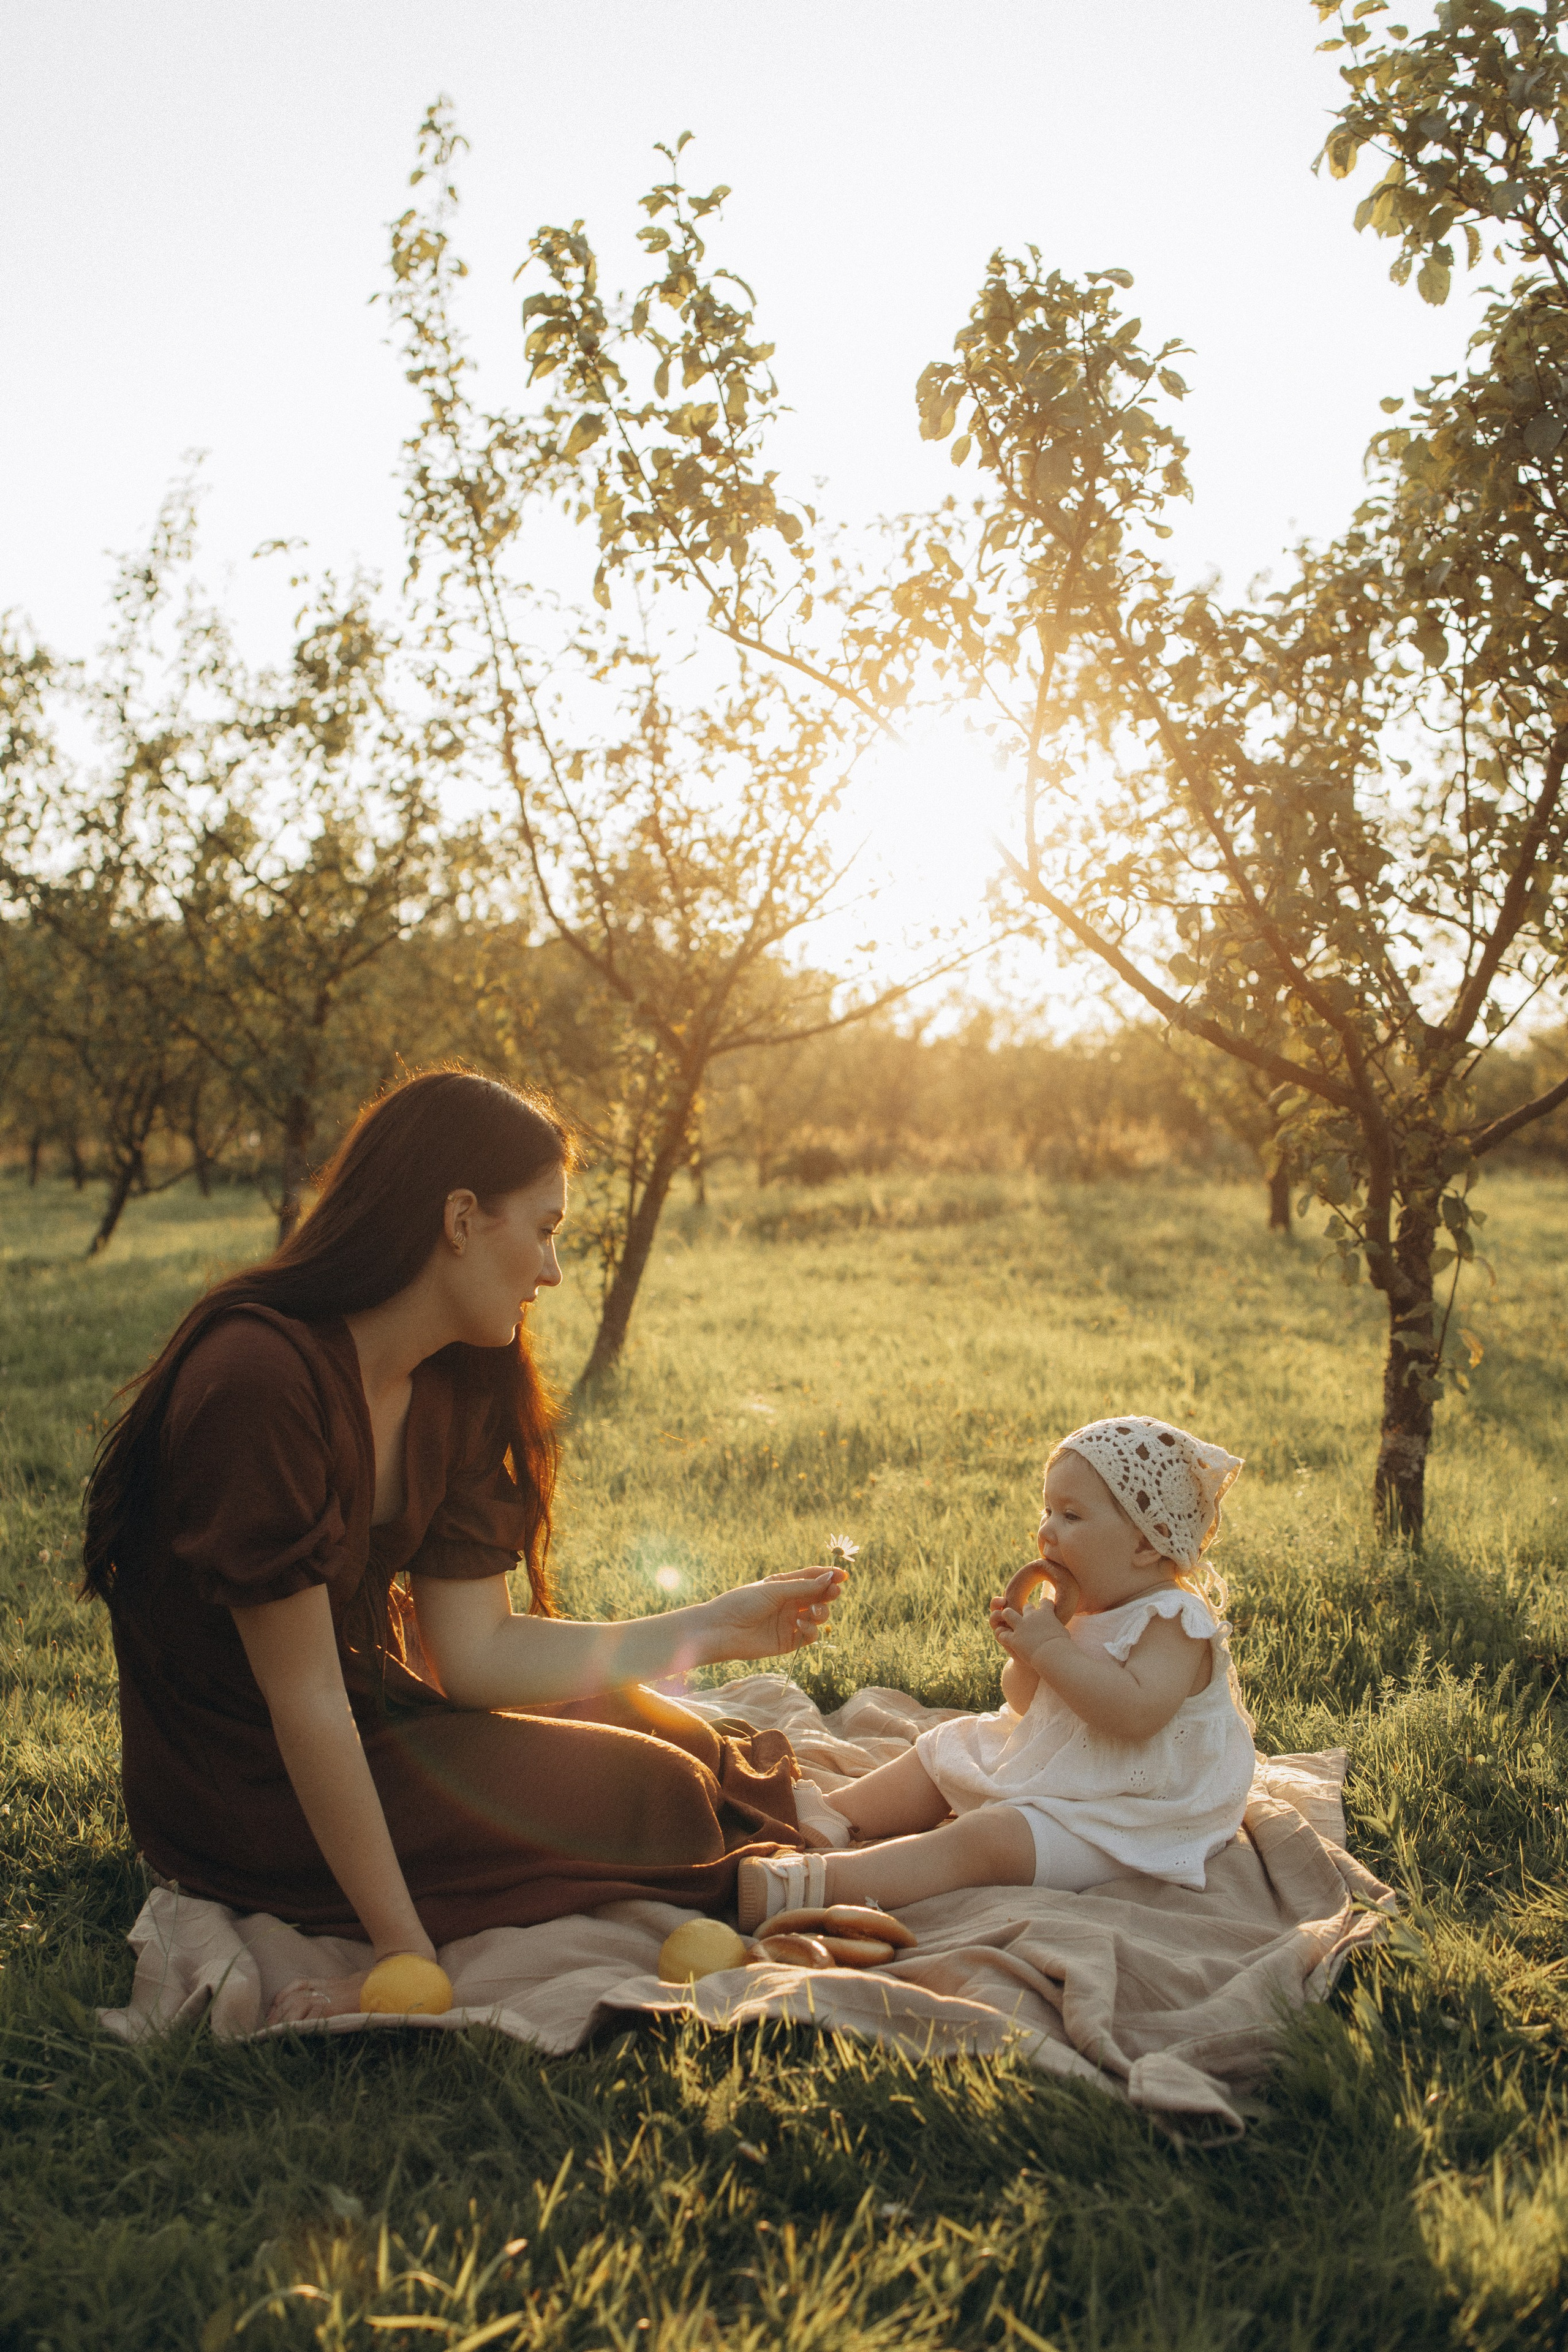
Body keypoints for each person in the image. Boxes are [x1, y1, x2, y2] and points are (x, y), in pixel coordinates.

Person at [83, 1068, 846, 2023]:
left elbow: (476, 1654)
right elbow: (307, 1699)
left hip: (373, 1705)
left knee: (658, 1724)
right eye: (546, 1229)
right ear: (458, 1218)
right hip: (247, 1781)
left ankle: (774, 1830)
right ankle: (762, 1859)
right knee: (648, 1786)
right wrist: (400, 1952)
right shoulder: (258, 1379)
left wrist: (720, 1625)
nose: (554, 1271)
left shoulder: (461, 1376)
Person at [736, 1415, 1255, 1929]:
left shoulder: (1172, 1621)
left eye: (1072, 1516)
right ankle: (836, 1814)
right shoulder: (1074, 1606)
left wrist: (1052, 1650)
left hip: (1131, 1813)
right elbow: (1029, 1705)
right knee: (947, 1747)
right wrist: (1026, 1658)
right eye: (1048, 1509)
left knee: (990, 1839)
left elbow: (1134, 1714)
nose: (1046, 1530)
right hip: (1066, 1762)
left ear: (1149, 1541)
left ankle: (818, 1885)